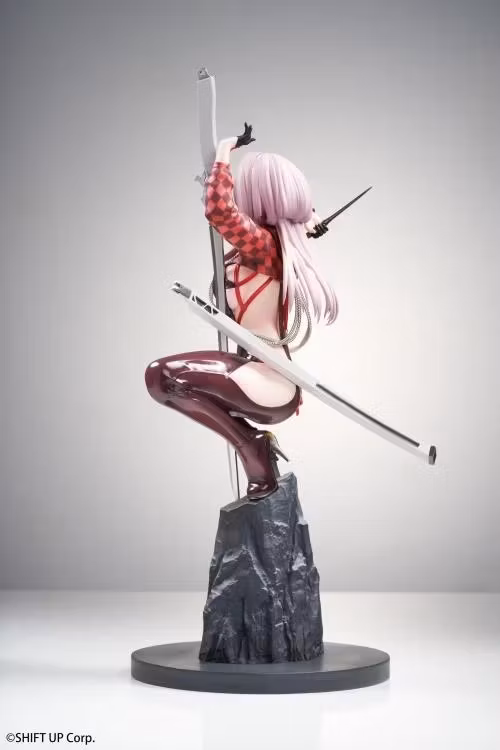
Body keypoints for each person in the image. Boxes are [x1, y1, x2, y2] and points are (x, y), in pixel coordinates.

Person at [145, 124, 338, 500]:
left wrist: (223, 152)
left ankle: (253, 450)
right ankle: (253, 448)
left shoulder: (265, 247)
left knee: (164, 377)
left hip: (270, 379)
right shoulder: (270, 244)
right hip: (256, 372)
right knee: (163, 381)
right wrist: (307, 221)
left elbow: (219, 211)